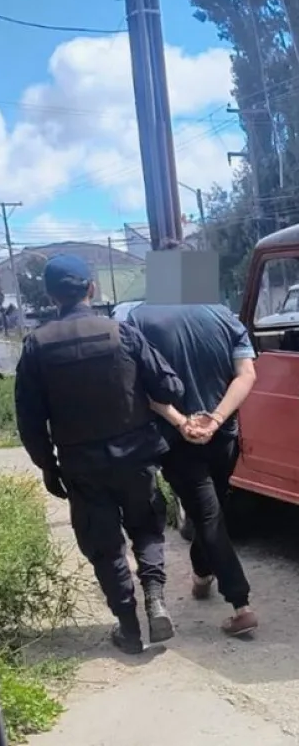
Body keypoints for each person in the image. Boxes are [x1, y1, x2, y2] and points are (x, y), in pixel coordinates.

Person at [14, 256, 186, 655]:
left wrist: (48, 467)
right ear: (91, 289)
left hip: (82, 466)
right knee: (146, 529)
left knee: (104, 545)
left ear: (50, 296)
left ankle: (129, 628)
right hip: (137, 457)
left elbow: (29, 420)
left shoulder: (37, 346)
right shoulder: (121, 332)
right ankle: (155, 598)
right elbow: (169, 388)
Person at [126, 302, 259, 637]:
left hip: (177, 439)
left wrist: (181, 422)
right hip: (223, 436)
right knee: (209, 510)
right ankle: (202, 573)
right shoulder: (224, 316)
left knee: (207, 514)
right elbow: (246, 374)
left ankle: (241, 605)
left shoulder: (140, 318)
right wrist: (215, 420)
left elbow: (140, 385)